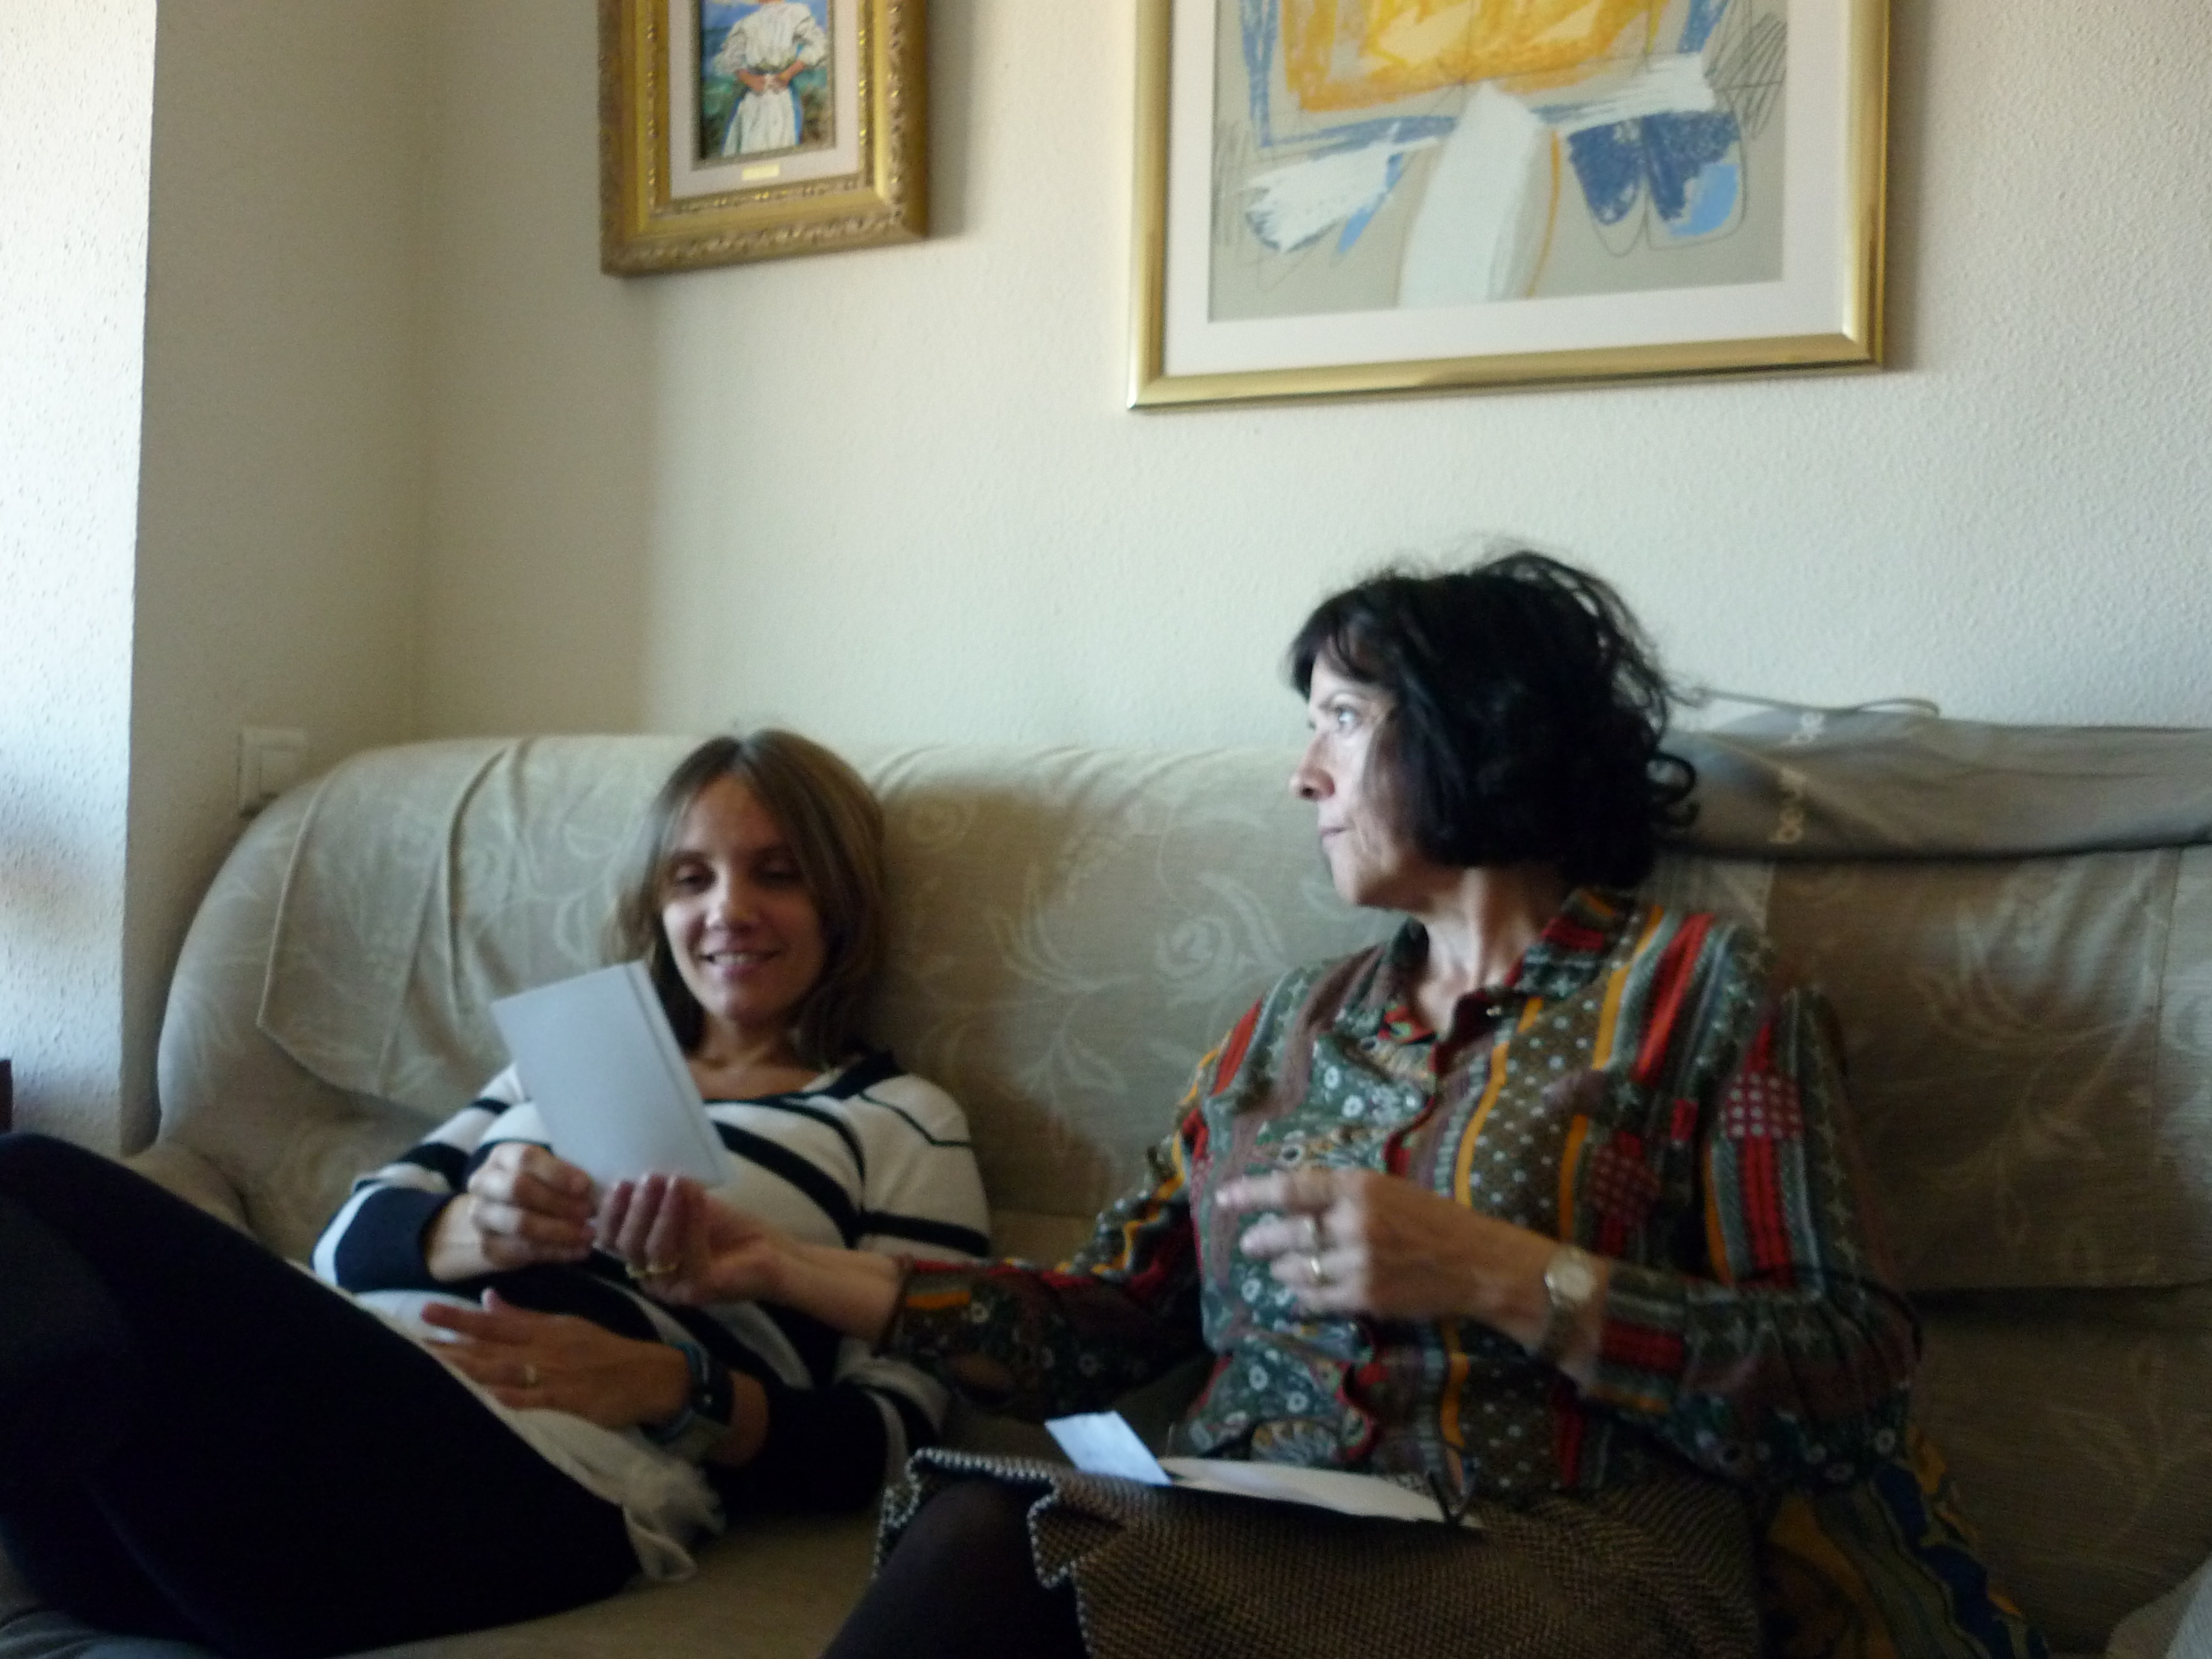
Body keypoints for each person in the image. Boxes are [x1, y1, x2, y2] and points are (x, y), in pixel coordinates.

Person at [604, 556, 1921, 1659]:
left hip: (1554, 1551)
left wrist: (1504, 1274)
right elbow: (1105, 1319)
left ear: (1479, 723)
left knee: (997, 1555)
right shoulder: (1286, 1025)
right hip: (1250, 1523)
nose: (1303, 773)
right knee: (984, 1526)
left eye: (1341, 717)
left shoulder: (1701, 993)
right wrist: (779, 1264)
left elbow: (1844, 1374)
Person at [0, 731, 987, 1659]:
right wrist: (474, 1225)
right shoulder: (568, 1061)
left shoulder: (897, 1118)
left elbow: (897, 1441)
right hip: (300, 1431)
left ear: (842, 902)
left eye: (778, 873)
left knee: (29, 1173)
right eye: (691, 879)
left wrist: (676, 1387)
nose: (727, 910)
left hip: (535, 1477)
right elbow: (344, 1245)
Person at [714, 1, 828, 158]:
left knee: (780, 143)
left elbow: (820, 45)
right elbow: (728, 59)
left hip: (781, 93)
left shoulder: (794, 15)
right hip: (753, 98)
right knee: (750, 143)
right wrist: (749, 79)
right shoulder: (748, 23)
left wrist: (789, 73)